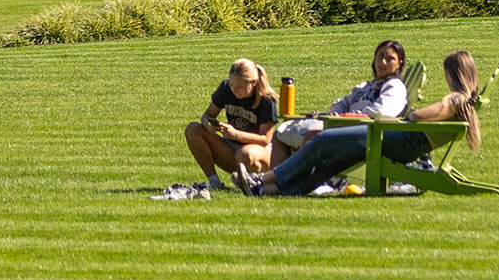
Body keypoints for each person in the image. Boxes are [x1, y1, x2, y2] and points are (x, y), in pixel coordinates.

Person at [254, 39, 433, 195]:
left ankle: (299, 182)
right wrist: (338, 113)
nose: (383, 61)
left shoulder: (394, 86)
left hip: (367, 133)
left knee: (313, 136)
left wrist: (350, 117)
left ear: (399, 63)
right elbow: (342, 102)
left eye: (389, 58)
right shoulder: (365, 86)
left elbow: (384, 111)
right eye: (380, 56)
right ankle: (276, 180)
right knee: (282, 132)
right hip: (345, 125)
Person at [184, 57, 282, 190]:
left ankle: (256, 182)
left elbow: (265, 139)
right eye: (232, 85)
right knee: (193, 129)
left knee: (246, 153)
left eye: (240, 87)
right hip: (232, 150)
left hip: (258, 152)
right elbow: (207, 115)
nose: (235, 90)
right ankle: (214, 182)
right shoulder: (226, 89)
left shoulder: (266, 100)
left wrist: (235, 134)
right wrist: (208, 123)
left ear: (253, 83)